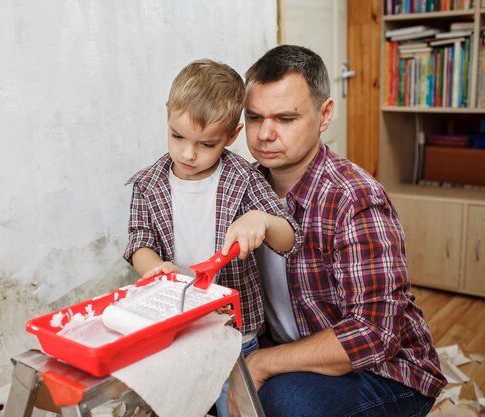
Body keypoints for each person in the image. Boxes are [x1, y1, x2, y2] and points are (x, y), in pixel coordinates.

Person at [222, 44, 446, 417]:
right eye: (256, 117)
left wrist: (263, 363)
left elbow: (373, 334)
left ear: (324, 115)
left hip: (386, 372)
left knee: (286, 401)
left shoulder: (354, 198)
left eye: (286, 119)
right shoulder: (244, 187)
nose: (265, 134)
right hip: (298, 354)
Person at [123, 58, 302, 417]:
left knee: (235, 408)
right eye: (177, 137)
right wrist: (154, 267)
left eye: (206, 144)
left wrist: (263, 220)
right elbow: (138, 243)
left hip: (236, 333)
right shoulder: (148, 184)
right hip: (178, 330)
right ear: (167, 116)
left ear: (231, 136)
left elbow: (288, 238)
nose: (188, 153)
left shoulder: (244, 179)